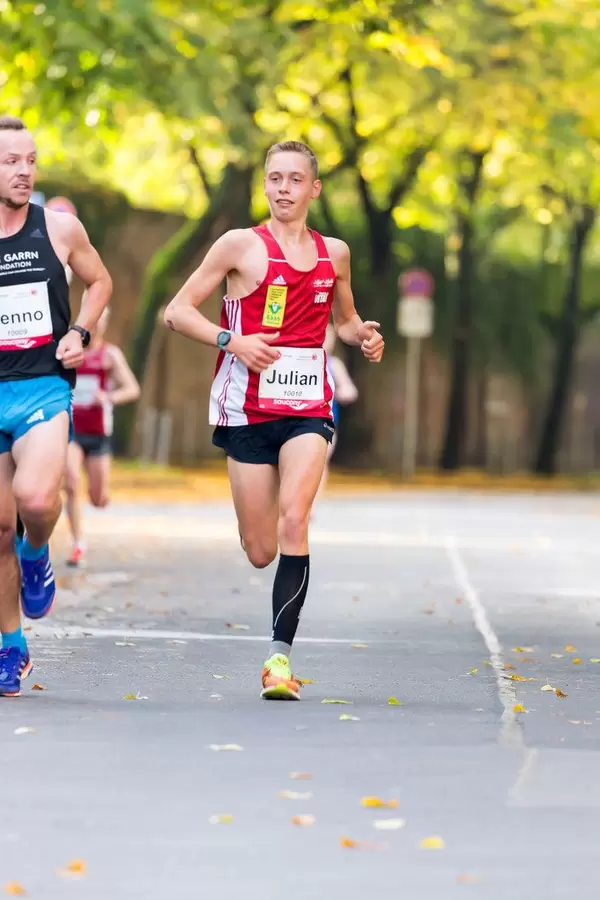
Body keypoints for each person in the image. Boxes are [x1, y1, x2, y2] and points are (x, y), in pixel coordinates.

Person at [164, 140, 384, 700]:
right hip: (247, 411)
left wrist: (364, 336)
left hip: (308, 407)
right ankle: (261, 540)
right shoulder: (240, 245)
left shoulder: (334, 253)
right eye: (274, 179)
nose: (283, 189)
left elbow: (348, 317)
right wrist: (232, 341)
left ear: (314, 188)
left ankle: (279, 662)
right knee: (261, 548)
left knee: (294, 522)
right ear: (264, 185)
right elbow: (177, 312)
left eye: (294, 179)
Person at [0, 116, 112, 696]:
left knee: (37, 499)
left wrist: (84, 333)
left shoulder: (59, 228)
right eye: (9, 162)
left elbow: (99, 282)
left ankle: (38, 547)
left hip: (42, 386)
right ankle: (10, 647)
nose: (23, 171)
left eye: (30, 160)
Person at [64, 308, 140, 567]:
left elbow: (132, 389)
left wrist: (108, 397)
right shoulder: (68, 353)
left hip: (98, 433)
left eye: (100, 323)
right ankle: (77, 544)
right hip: (71, 430)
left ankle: (99, 493)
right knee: (71, 483)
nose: (94, 327)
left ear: (105, 325)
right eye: (91, 322)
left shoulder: (109, 355)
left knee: (98, 499)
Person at [317, 323, 358, 500]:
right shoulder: (295, 362)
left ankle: (313, 504)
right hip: (296, 418)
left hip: (327, 422)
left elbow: (350, 390)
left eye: (330, 337)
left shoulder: (334, 365)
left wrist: (342, 392)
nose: (326, 341)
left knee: (320, 463)